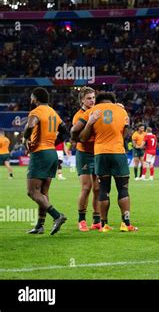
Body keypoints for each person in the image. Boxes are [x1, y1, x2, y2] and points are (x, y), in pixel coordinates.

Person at [79, 92, 137, 233]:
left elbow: (83, 138)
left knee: (103, 189)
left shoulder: (92, 111)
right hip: (117, 152)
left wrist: (90, 123)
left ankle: (104, 224)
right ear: (113, 100)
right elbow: (124, 135)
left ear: (98, 101)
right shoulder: (122, 111)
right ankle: (126, 223)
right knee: (123, 188)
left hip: (100, 154)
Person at [23, 87, 68, 235]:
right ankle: (40, 225)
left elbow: (30, 125)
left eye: (31, 97)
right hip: (51, 153)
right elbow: (65, 130)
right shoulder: (53, 112)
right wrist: (53, 142)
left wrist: (25, 139)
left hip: (40, 154)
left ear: (35, 98)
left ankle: (57, 215)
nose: (31, 100)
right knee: (43, 192)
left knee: (32, 192)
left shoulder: (36, 112)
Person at [70, 86, 101, 232]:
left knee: (98, 188)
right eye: (89, 98)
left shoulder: (98, 112)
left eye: (94, 98)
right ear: (82, 99)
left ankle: (97, 220)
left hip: (97, 153)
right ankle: (81, 220)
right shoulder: (78, 116)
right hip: (84, 154)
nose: (92, 100)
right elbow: (79, 138)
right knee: (87, 187)